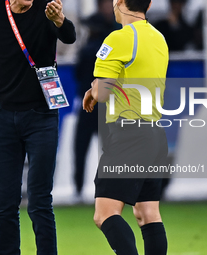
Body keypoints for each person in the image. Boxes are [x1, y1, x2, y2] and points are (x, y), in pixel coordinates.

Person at [0, 0, 76, 254]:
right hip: (4, 117)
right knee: (4, 203)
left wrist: (59, 20)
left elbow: (69, 36)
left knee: (39, 201)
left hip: (42, 116)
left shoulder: (48, 6)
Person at [83, 0, 169, 254]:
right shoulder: (158, 38)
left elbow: (103, 91)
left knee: (105, 213)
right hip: (155, 133)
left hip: (129, 133)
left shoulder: (119, 38)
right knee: (147, 213)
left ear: (118, 2)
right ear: (149, 4)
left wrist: (92, 89)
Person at [73, 0, 118, 199]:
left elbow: (77, 74)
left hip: (87, 104)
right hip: (107, 105)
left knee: (80, 148)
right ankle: (113, 187)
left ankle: (78, 187)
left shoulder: (87, 50)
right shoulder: (111, 50)